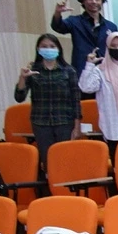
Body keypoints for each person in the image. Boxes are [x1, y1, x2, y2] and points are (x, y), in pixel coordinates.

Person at [15, 33, 81, 174]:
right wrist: (22, 78)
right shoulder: (32, 70)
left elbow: (76, 100)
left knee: (64, 159)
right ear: (38, 49)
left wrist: (77, 126)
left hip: (64, 121)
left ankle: (65, 189)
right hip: (41, 122)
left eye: (52, 46)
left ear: (58, 49)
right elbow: (19, 97)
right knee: (48, 161)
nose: (48, 49)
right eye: (44, 46)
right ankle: (50, 188)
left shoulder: (69, 71)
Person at [50, 0, 118, 65]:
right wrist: (58, 12)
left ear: (102, 2)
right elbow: (58, 27)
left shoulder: (111, 27)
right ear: (83, 1)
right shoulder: (74, 21)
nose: (93, 2)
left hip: (105, 70)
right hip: (82, 69)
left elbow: (116, 49)